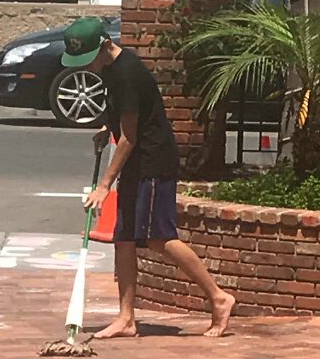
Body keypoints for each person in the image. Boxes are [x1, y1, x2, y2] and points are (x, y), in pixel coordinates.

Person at [61, 17, 235, 340]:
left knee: (159, 237)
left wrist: (104, 185)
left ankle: (218, 297)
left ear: (102, 46)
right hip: (136, 162)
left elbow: (129, 136)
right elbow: (126, 113)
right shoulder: (110, 70)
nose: (86, 67)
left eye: (87, 58)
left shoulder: (127, 72)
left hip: (153, 162)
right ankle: (126, 318)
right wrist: (104, 128)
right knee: (124, 237)